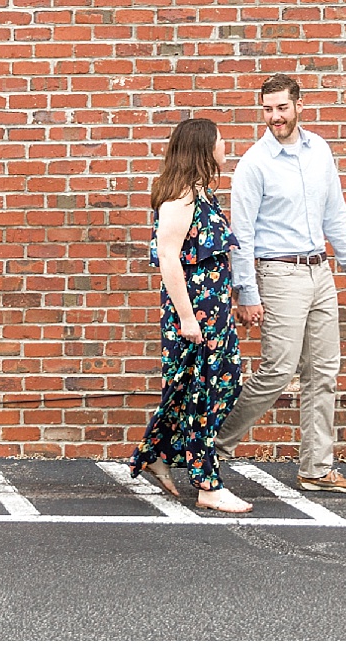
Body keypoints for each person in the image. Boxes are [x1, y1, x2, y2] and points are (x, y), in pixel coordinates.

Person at [215, 74, 346, 493]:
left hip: (320, 271)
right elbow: (240, 235)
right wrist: (246, 292)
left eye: (282, 107)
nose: (274, 117)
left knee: (324, 373)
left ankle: (317, 470)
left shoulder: (319, 150)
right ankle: (213, 447)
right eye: (267, 109)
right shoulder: (254, 163)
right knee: (278, 370)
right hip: (278, 274)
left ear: (299, 105)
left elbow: (335, 212)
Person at [128, 117, 252, 514]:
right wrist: (187, 318)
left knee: (212, 388)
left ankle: (158, 453)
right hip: (194, 312)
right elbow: (168, 258)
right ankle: (207, 485)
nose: (224, 146)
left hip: (214, 312)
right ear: (202, 148)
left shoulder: (201, 193)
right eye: (219, 141)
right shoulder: (180, 197)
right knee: (205, 394)